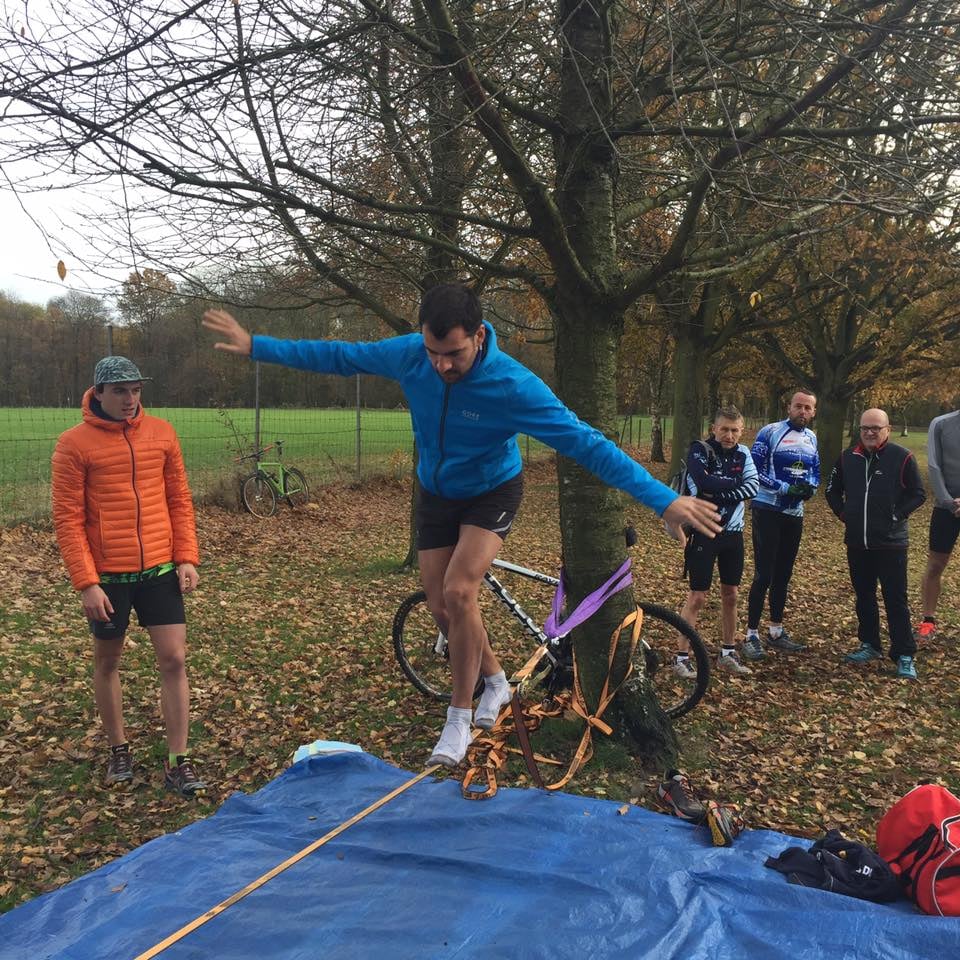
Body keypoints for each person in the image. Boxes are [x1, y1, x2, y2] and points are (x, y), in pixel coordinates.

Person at [202, 284, 721, 768]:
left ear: (479, 334)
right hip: (436, 492)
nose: (442, 364)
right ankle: (495, 679)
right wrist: (256, 346)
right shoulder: (411, 354)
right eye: (433, 352)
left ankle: (458, 719)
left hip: (491, 491)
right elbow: (340, 356)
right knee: (440, 605)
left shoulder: (513, 386)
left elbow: (587, 443)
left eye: (453, 353)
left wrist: (662, 500)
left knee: (459, 589)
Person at [51, 357, 205, 796]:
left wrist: (186, 557)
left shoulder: (162, 433)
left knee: (174, 660)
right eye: (120, 391)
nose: (130, 399)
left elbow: (179, 499)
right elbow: (68, 520)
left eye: (135, 390)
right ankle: (118, 748)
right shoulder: (73, 444)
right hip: (108, 578)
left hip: (160, 569)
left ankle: (178, 760)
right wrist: (87, 583)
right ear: (98, 392)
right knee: (108, 662)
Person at [825, 408, 926, 679]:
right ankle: (870, 644)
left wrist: (896, 515)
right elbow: (831, 490)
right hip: (858, 542)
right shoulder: (847, 458)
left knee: (896, 599)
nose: (870, 432)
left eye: (876, 428)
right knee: (864, 596)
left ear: (887, 430)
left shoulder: (902, 457)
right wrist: (844, 514)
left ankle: (904, 653)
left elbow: (918, 494)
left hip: (891, 543)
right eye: (865, 428)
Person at [677, 406, 759, 678]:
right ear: (713, 428)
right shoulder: (699, 450)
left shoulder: (743, 453)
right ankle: (681, 657)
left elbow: (753, 487)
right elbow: (702, 483)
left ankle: (727, 653)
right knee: (697, 596)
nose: (729, 435)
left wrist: (718, 490)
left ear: (742, 430)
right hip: (704, 531)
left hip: (733, 534)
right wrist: (733, 483)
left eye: (735, 430)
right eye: (724, 429)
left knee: (731, 594)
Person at [743, 390, 820, 660]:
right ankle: (751, 634)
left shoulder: (811, 437)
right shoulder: (770, 432)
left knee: (783, 574)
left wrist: (811, 488)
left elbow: (815, 470)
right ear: (789, 407)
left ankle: (776, 631)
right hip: (768, 508)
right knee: (764, 574)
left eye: (808, 408)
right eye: (798, 406)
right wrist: (783, 487)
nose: (802, 411)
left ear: (813, 412)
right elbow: (754, 469)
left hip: (794, 512)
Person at [917, 408, 960, 640]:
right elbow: (934, 466)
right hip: (946, 507)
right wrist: (949, 502)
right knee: (935, 565)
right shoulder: (941, 423)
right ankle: (928, 621)